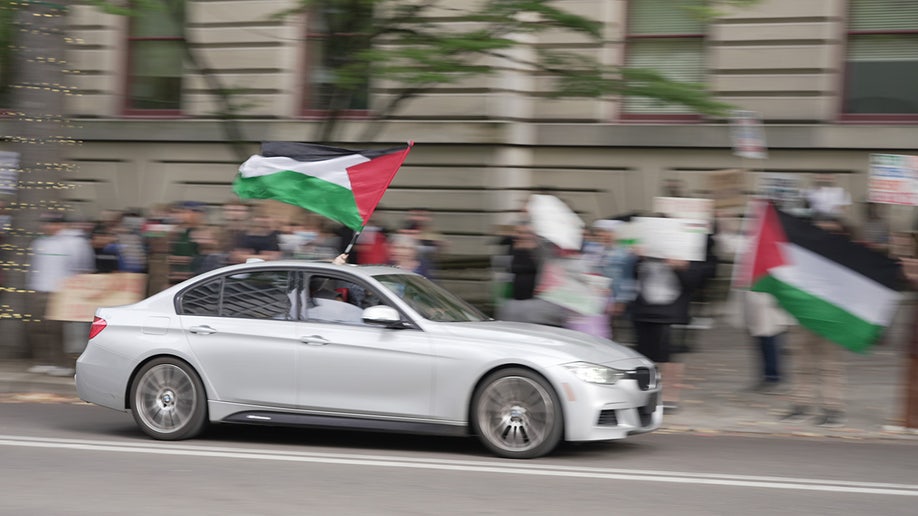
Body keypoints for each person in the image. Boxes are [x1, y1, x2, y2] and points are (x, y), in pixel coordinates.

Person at [780, 214, 851, 427]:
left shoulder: (846, 257)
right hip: (804, 317)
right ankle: (800, 405)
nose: (826, 234)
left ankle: (833, 409)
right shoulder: (802, 255)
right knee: (801, 363)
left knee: (831, 365)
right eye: (821, 230)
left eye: (831, 231)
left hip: (831, 318)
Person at [630, 255, 705, 412]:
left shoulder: (687, 249)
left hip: (672, 312)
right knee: (642, 358)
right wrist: (637, 258)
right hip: (644, 310)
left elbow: (696, 281)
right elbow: (632, 274)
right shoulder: (646, 251)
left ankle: (669, 399)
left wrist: (680, 266)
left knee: (670, 356)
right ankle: (641, 397)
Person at [26, 213, 95, 376]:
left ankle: (63, 363)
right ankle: (44, 361)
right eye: (46, 224)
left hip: (63, 292)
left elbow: (84, 267)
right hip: (41, 288)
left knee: (59, 330)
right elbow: (33, 266)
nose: (47, 227)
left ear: (61, 224)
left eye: (51, 223)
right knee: (40, 327)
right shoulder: (39, 242)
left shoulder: (75, 242)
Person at [743, 291, 793, 394]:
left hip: (768, 312)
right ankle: (767, 377)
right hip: (757, 311)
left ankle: (773, 377)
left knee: (770, 344)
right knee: (762, 345)